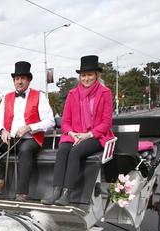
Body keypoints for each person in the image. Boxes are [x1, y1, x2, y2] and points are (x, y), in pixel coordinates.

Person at [42, 55, 115, 205]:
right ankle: (56, 192)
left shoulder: (105, 93)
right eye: (83, 75)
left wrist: (87, 135)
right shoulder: (72, 94)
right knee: (62, 151)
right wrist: (72, 133)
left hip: (95, 135)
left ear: (96, 75)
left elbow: (106, 123)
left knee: (75, 152)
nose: (86, 78)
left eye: (89, 75)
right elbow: (66, 121)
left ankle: (67, 194)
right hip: (74, 134)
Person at [0, 61, 55, 201]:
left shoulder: (39, 96)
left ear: (28, 80)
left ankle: (22, 193)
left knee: (26, 149)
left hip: (31, 140)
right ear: (14, 81)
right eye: (17, 79)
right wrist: (3, 131)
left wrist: (30, 127)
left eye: (22, 78)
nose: (19, 82)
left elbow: (50, 121)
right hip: (11, 139)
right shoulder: (7, 97)